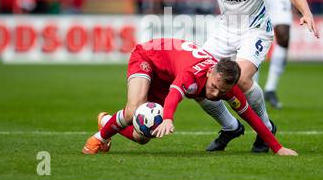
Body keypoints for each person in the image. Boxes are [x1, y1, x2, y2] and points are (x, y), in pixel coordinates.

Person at [116, 0, 318, 153]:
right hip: (225, 29)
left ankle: (265, 127)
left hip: (254, 30)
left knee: (241, 80)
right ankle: (230, 126)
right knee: (200, 81)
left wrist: (306, 12)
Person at [82, 38, 297, 156]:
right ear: (211, 72)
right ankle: (97, 139)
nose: (215, 94)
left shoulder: (228, 87)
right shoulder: (191, 74)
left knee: (142, 136)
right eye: (213, 87)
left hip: (167, 73)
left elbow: (251, 116)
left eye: (221, 92)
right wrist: (168, 118)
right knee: (133, 111)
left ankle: (106, 120)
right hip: (148, 55)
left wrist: (278, 148)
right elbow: (175, 94)